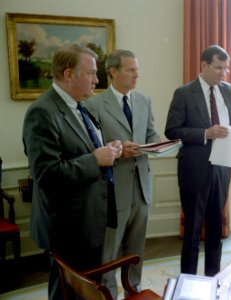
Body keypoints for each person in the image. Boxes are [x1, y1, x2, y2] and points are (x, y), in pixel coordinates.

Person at [22, 44, 122, 300]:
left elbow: (85, 148)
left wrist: (107, 149)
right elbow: (46, 175)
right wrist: (95, 159)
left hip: (91, 218)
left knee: (88, 288)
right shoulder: (42, 112)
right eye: (90, 73)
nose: (97, 80)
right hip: (67, 226)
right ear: (69, 74)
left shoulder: (80, 106)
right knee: (67, 292)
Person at [85, 49, 160, 297]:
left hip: (142, 187)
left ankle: (134, 292)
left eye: (137, 69)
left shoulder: (144, 101)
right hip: (112, 188)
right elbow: (91, 147)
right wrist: (117, 149)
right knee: (110, 251)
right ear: (113, 72)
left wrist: (159, 145)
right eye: (131, 69)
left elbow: (151, 135)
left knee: (136, 249)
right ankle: (107, 294)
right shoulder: (93, 105)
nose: (136, 75)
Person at [165, 45, 231, 276]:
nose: (222, 73)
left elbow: (230, 123)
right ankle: (188, 282)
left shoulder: (227, 89)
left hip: (222, 168)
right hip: (194, 170)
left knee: (216, 228)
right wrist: (206, 133)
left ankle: (213, 279)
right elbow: (172, 130)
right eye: (217, 68)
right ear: (203, 65)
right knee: (193, 231)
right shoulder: (184, 93)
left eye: (225, 68)